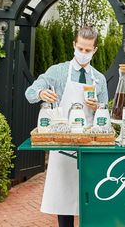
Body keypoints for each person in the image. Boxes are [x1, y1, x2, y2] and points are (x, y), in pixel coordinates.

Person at [25, 25, 108, 227]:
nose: (83, 53)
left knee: (90, 195)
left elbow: (106, 114)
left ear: (95, 50)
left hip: (89, 143)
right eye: (80, 48)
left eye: (88, 50)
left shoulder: (99, 79)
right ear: (74, 45)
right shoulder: (58, 72)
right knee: (63, 198)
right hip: (62, 141)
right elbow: (30, 93)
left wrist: (98, 107)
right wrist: (41, 93)